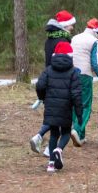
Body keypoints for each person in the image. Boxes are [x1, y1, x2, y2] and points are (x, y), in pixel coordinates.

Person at [30, 10, 76, 156]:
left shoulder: (49, 40)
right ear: (64, 26)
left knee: (54, 114)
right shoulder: (62, 41)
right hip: (61, 80)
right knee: (60, 115)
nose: (72, 28)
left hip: (50, 79)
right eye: (70, 25)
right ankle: (42, 140)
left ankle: (45, 144)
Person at [35, 41, 83, 173]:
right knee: (66, 132)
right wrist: (79, 114)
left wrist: (42, 97)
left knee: (54, 134)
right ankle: (59, 149)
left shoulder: (48, 70)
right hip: (66, 108)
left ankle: (51, 164)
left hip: (50, 106)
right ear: (70, 56)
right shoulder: (73, 73)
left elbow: (40, 86)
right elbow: (77, 95)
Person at [70, 18, 98, 145]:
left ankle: (81, 135)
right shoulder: (95, 41)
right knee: (85, 105)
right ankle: (76, 129)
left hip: (71, 74)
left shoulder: (75, 38)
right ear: (97, 31)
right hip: (84, 75)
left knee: (75, 104)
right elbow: (96, 64)